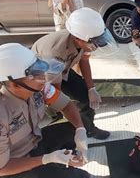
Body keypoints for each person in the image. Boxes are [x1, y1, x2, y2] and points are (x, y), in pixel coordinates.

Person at [0, 43, 89, 178]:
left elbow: (67, 105)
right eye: (34, 74)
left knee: (79, 123)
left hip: (32, 142)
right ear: (14, 84)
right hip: (8, 167)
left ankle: (62, 169)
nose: (42, 76)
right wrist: (47, 159)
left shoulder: (37, 88)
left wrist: (80, 131)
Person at [32, 8, 116, 140]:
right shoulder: (54, 53)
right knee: (57, 105)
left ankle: (89, 129)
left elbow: (84, 60)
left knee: (85, 96)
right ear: (78, 39)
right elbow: (55, 88)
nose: (98, 45)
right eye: (95, 42)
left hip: (62, 68)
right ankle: (69, 129)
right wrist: (66, 108)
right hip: (41, 76)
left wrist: (91, 88)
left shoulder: (85, 39)